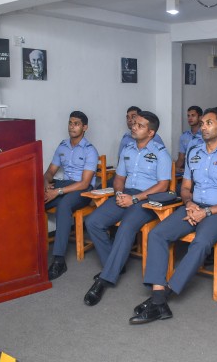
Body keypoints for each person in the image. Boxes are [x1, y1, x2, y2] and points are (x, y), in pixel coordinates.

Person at [129, 108, 217, 325]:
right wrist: (190, 203)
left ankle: (163, 296)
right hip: (193, 207)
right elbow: (185, 188)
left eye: (209, 123)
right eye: (202, 123)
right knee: (157, 234)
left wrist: (207, 212)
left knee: (201, 243)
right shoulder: (194, 152)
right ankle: (158, 296)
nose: (203, 127)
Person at [83, 111, 171, 306]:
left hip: (146, 199)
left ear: (151, 132)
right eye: (134, 123)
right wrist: (119, 194)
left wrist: (135, 198)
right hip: (125, 194)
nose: (134, 127)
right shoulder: (127, 149)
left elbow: (163, 185)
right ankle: (115, 265)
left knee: (126, 227)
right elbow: (119, 178)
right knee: (93, 221)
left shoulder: (161, 153)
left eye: (140, 125)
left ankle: (104, 279)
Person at [44, 111, 99, 280]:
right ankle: (30, 251)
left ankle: (59, 260)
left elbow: (84, 183)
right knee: (34, 199)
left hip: (83, 190)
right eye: (70, 123)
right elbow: (50, 172)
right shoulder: (62, 146)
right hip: (65, 184)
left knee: (64, 205)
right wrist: (45, 183)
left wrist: (57, 192)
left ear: (84, 127)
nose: (72, 127)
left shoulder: (90, 150)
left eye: (76, 124)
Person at [175, 106, 203, 174]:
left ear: (200, 117)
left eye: (193, 115)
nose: (190, 118)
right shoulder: (184, 136)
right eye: (188, 116)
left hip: (203, 171)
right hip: (187, 171)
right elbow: (181, 158)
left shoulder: (205, 134)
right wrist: (175, 169)